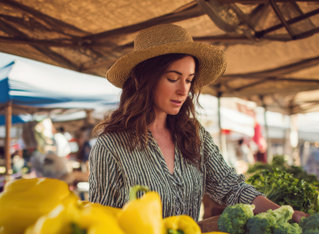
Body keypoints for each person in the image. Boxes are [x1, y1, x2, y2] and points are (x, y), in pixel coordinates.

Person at [89, 24, 307, 222]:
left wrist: (286, 213)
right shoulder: (111, 147)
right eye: (173, 78)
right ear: (145, 79)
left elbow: (232, 188)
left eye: (189, 80)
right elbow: (101, 221)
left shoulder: (193, 134)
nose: (183, 90)